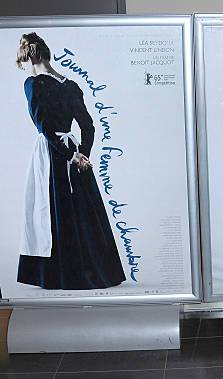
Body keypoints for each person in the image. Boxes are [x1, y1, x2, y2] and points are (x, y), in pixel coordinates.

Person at [16, 32, 125, 290]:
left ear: (31, 57)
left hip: (54, 154)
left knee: (53, 208)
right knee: (82, 210)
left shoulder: (33, 84)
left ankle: (59, 275)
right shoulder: (71, 85)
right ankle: (94, 270)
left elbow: (44, 126)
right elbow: (88, 126)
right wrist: (82, 153)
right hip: (73, 152)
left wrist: (70, 155)